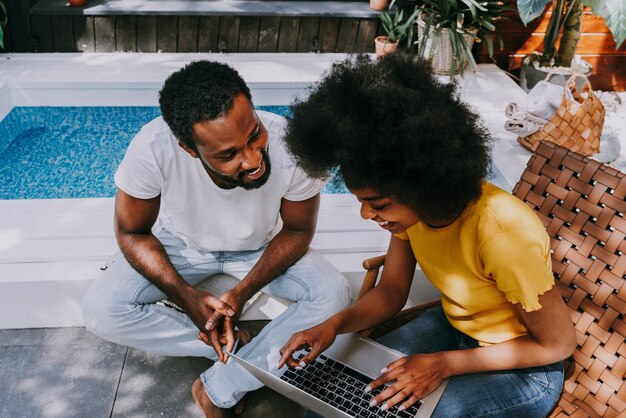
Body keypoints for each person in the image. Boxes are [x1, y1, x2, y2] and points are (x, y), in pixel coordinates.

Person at [278, 53, 577, 417]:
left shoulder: (503, 232)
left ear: (421, 184)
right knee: (330, 396)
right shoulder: (413, 215)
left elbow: (558, 345)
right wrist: (332, 326)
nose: (365, 214)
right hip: (455, 329)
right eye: (362, 201)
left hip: (526, 369)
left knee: (388, 413)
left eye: (378, 204)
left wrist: (442, 364)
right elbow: (390, 292)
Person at [81, 60, 351, 418]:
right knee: (101, 310)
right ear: (190, 149)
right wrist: (187, 297)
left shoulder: (290, 144)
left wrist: (242, 292)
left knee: (335, 293)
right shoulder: (153, 147)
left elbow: (298, 230)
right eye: (229, 154)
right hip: (183, 247)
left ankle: (219, 386)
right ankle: (236, 347)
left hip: (265, 247)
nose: (254, 159)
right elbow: (132, 232)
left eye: (254, 134)